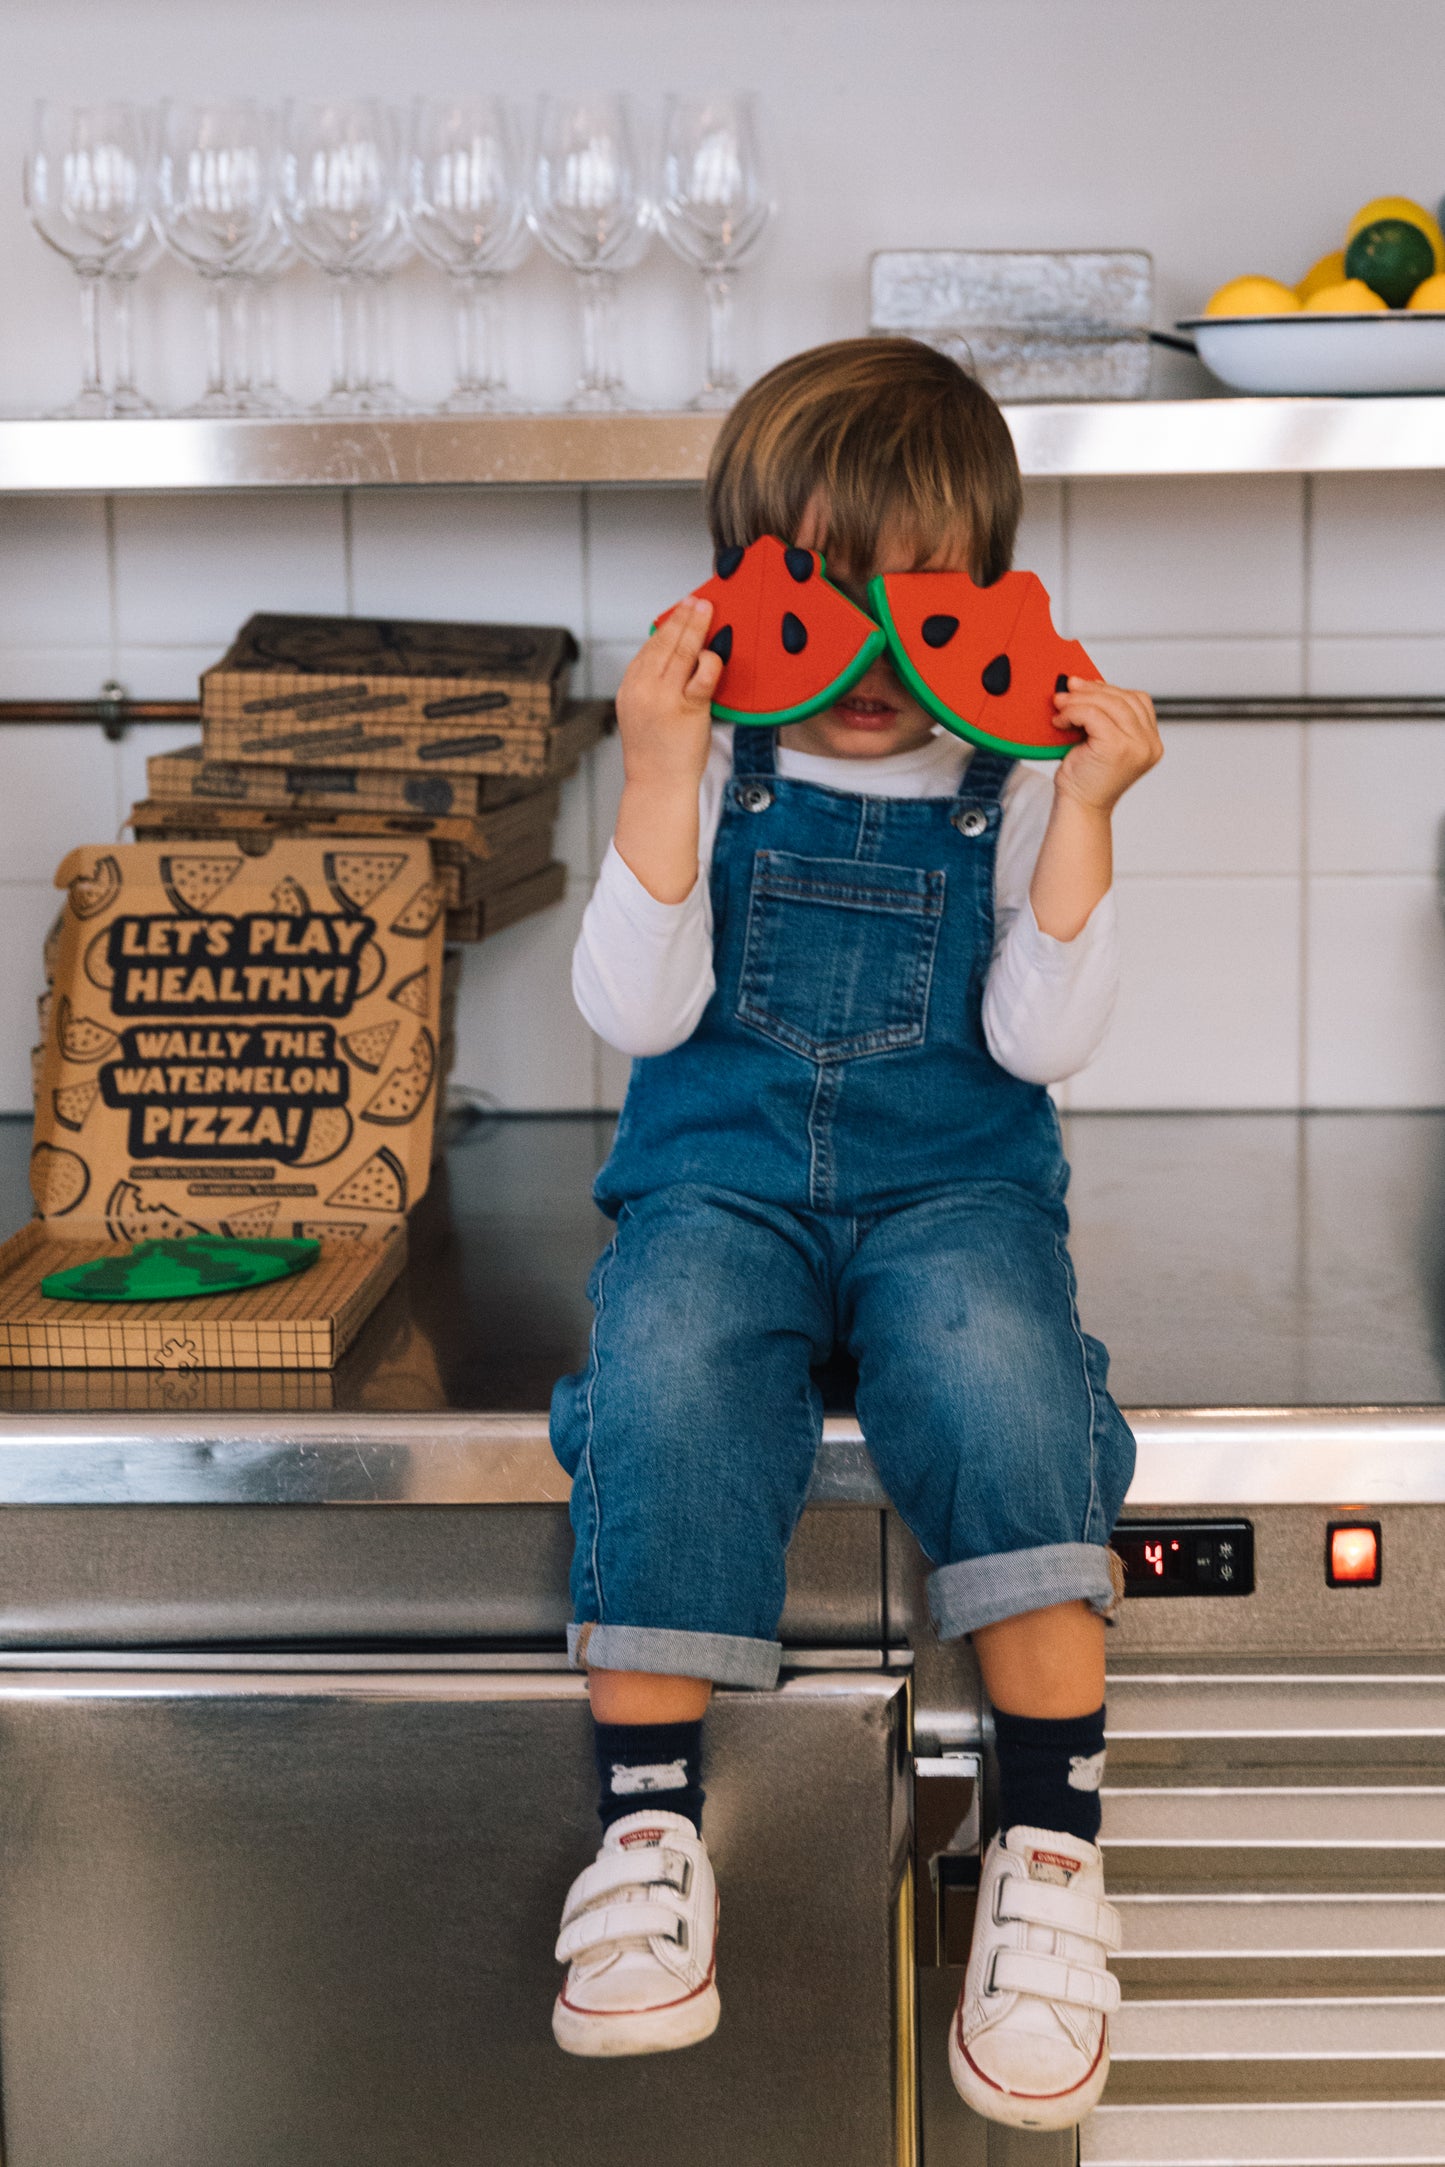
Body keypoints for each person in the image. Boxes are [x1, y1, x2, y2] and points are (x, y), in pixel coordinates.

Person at [549, 336, 1161, 2127]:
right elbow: (634, 1015)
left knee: (998, 1379)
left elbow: (1041, 1041)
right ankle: (648, 1833)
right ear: (738, 590)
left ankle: (1050, 1853)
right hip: (714, 1181)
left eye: (930, 604)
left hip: (949, 1188)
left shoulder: (1018, 781)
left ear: (996, 600)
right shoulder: (709, 758)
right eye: (822, 594)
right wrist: (656, 776)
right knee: (660, 1365)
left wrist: (1088, 823)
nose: (882, 654)